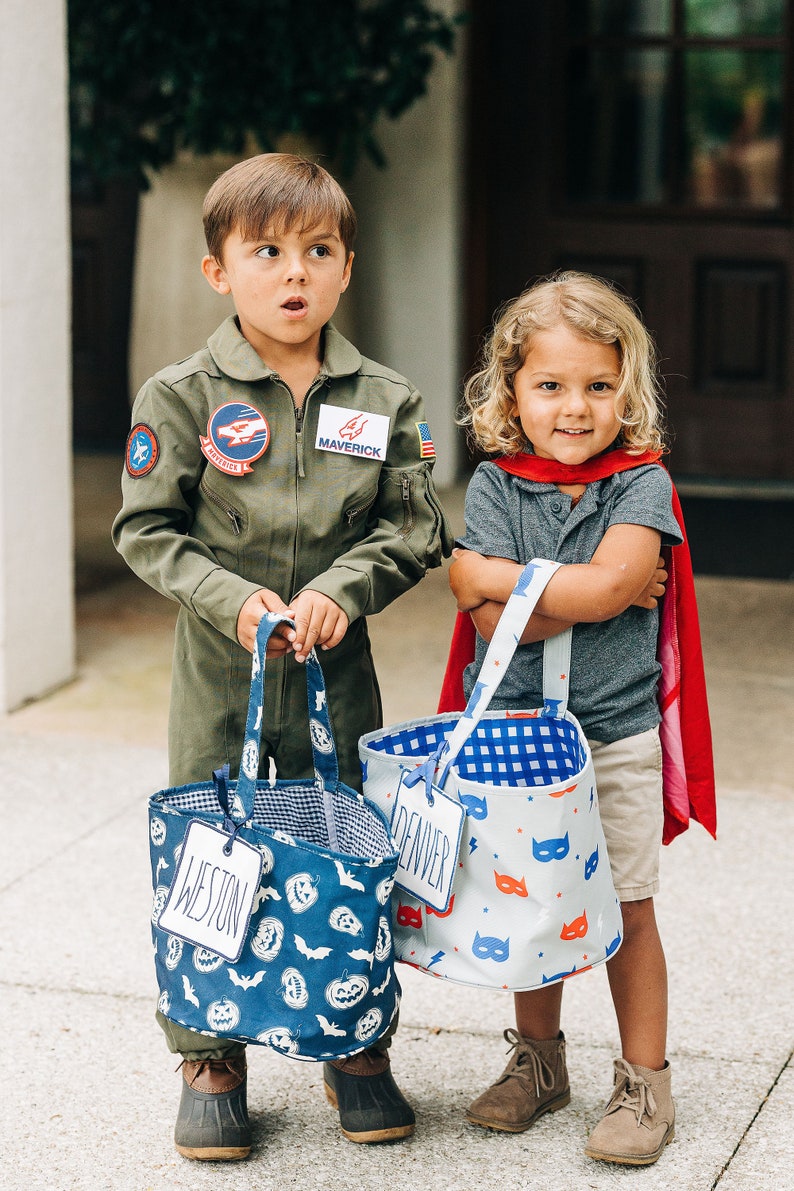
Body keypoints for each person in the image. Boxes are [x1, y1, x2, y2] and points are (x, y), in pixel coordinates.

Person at [112, 152, 452, 1162]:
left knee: (344, 845)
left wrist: (337, 594)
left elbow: (413, 529)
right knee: (213, 853)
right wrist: (233, 599)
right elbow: (147, 529)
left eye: (316, 250)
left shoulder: (385, 399)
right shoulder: (179, 396)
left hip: (335, 679)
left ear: (346, 267)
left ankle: (353, 1045)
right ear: (219, 270)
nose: (292, 271)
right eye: (265, 251)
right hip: (221, 677)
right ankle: (209, 1056)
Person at [446, 271, 714, 1167]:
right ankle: (539, 1060)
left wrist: (498, 576)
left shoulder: (639, 483)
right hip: (516, 741)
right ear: (510, 391)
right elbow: (497, 624)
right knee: (533, 905)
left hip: (616, 735)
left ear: (626, 389)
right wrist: (592, 592)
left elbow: (576, 592)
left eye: (598, 386)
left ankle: (645, 1081)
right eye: (550, 385)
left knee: (627, 911)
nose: (574, 406)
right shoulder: (493, 484)